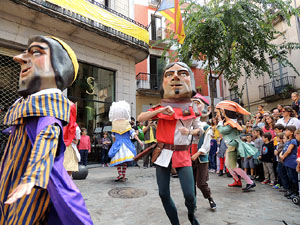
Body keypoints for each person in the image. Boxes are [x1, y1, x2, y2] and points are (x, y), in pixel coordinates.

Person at [0, 35, 92, 224]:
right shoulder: (27, 107)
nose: (19, 58)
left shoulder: (48, 111)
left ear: (58, 67)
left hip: (27, 194)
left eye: (36, 52)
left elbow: (47, 138)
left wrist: (31, 178)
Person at [138, 62, 200, 225]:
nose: (175, 77)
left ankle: (191, 216)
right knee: (163, 193)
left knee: (190, 195)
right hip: (162, 153)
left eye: (182, 73)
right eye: (169, 74)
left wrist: (190, 132)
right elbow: (140, 118)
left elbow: (199, 131)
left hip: (182, 154)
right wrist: (160, 111)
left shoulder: (191, 109)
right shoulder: (160, 107)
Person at [216, 100, 257, 191]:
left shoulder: (232, 123)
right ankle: (237, 181)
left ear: (226, 112)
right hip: (230, 146)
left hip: (233, 146)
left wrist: (219, 122)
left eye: (222, 111)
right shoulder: (230, 121)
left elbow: (223, 131)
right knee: (228, 164)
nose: (221, 113)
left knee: (234, 166)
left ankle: (250, 182)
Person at [190, 93, 217, 210]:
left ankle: (210, 198)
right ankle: (193, 203)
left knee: (201, 183)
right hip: (188, 157)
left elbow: (206, 145)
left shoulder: (206, 126)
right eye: (193, 102)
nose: (194, 105)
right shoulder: (187, 125)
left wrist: (197, 153)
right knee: (190, 184)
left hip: (200, 158)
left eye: (197, 103)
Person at [108, 101, 143, 182]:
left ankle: (120, 174)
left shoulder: (115, 124)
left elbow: (113, 136)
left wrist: (114, 145)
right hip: (126, 144)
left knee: (118, 161)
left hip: (118, 144)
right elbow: (133, 133)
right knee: (124, 162)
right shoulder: (127, 124)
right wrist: (139, 140)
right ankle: (122, 175)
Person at [280, 125, 299, 199]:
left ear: (291, 132)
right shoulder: (288, 141)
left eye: (287, 130)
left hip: (291, 161)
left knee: (293, 177)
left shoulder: (293, 141)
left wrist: (283, 156)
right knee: (289, 177)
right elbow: (284, 150)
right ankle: (291, 191)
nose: (285, 132)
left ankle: (295, 192)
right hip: (287, 162)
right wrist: (281, 155)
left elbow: (288, 151)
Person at [63, 102, 81, 176]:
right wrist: (75, 140)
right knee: (69, 166)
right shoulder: (75, 126)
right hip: (70, 147)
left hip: (60, 147)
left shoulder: (58, 123)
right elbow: (77, 138)